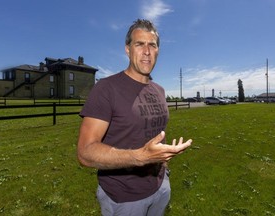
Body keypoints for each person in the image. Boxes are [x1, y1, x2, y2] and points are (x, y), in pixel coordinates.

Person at [77, 19, 193, 216]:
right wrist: (141, 157)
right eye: (139, 44)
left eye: (152, 45)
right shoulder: (106, 88)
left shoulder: (159, 90)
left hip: (160, 186)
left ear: (157, 51)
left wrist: (164, 159)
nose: (146, 51)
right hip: (124, 198)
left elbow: (156, 133)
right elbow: (85, 153)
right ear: (127, 49)